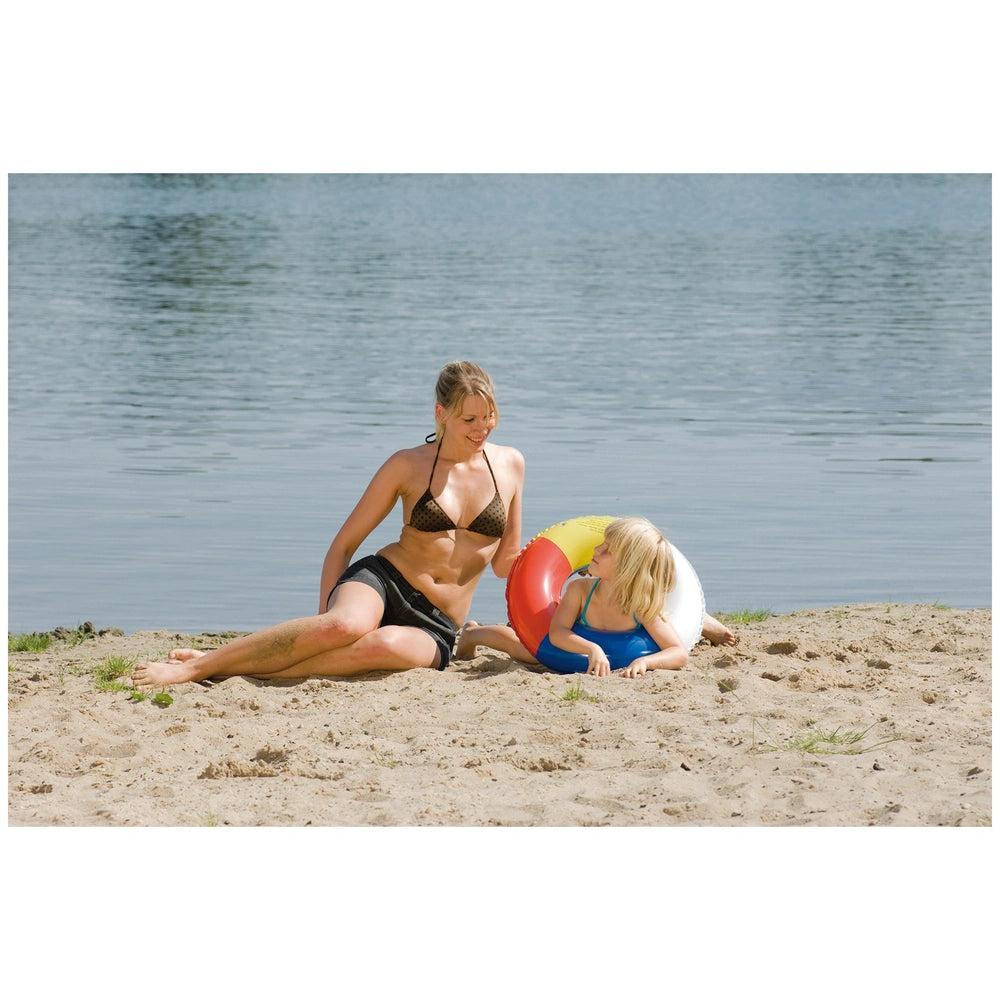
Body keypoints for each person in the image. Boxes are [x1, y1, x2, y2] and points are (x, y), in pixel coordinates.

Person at [132, 361, 525, 689]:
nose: (481, 428)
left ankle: (222, 663)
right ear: (441, 414)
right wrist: (323, 623)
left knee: (385, 646)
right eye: (468, 418)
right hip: (386, 582)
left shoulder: (510, 465)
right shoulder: (407, 465)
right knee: (344, 626)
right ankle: (194, 669)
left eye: (488, 416)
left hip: (438, 624)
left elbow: (503, 565)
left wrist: (554, 559)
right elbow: (343, 544)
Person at [456, 516, 691, 678]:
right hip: (568, 647)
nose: (597, 550)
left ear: (629, 567)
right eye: (602, 544)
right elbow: (558, 633)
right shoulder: (580, 590)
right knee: (523, 649)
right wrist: (592, 649)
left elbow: (678, 652)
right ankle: (472, 633)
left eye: (608, 550)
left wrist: (645, 662)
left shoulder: (640, 605)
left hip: (612, 653)